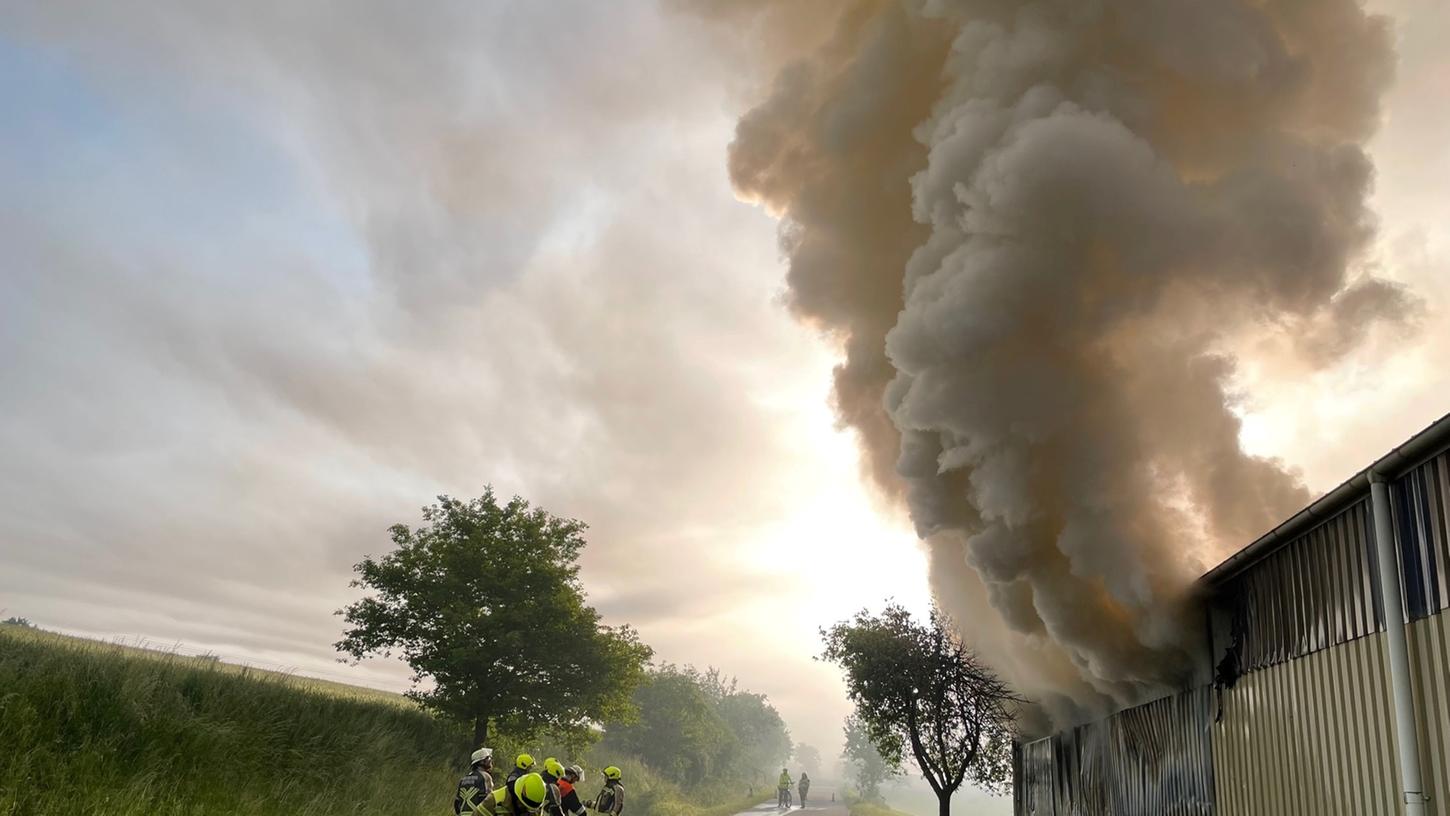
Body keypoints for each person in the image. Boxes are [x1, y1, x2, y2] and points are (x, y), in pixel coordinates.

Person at [455, 747, 497, 815]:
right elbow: (489, 800)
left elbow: (457, 803)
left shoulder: (464, 779)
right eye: (488, 758)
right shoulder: (486, 776)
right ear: (482, 761)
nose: (491, 760)